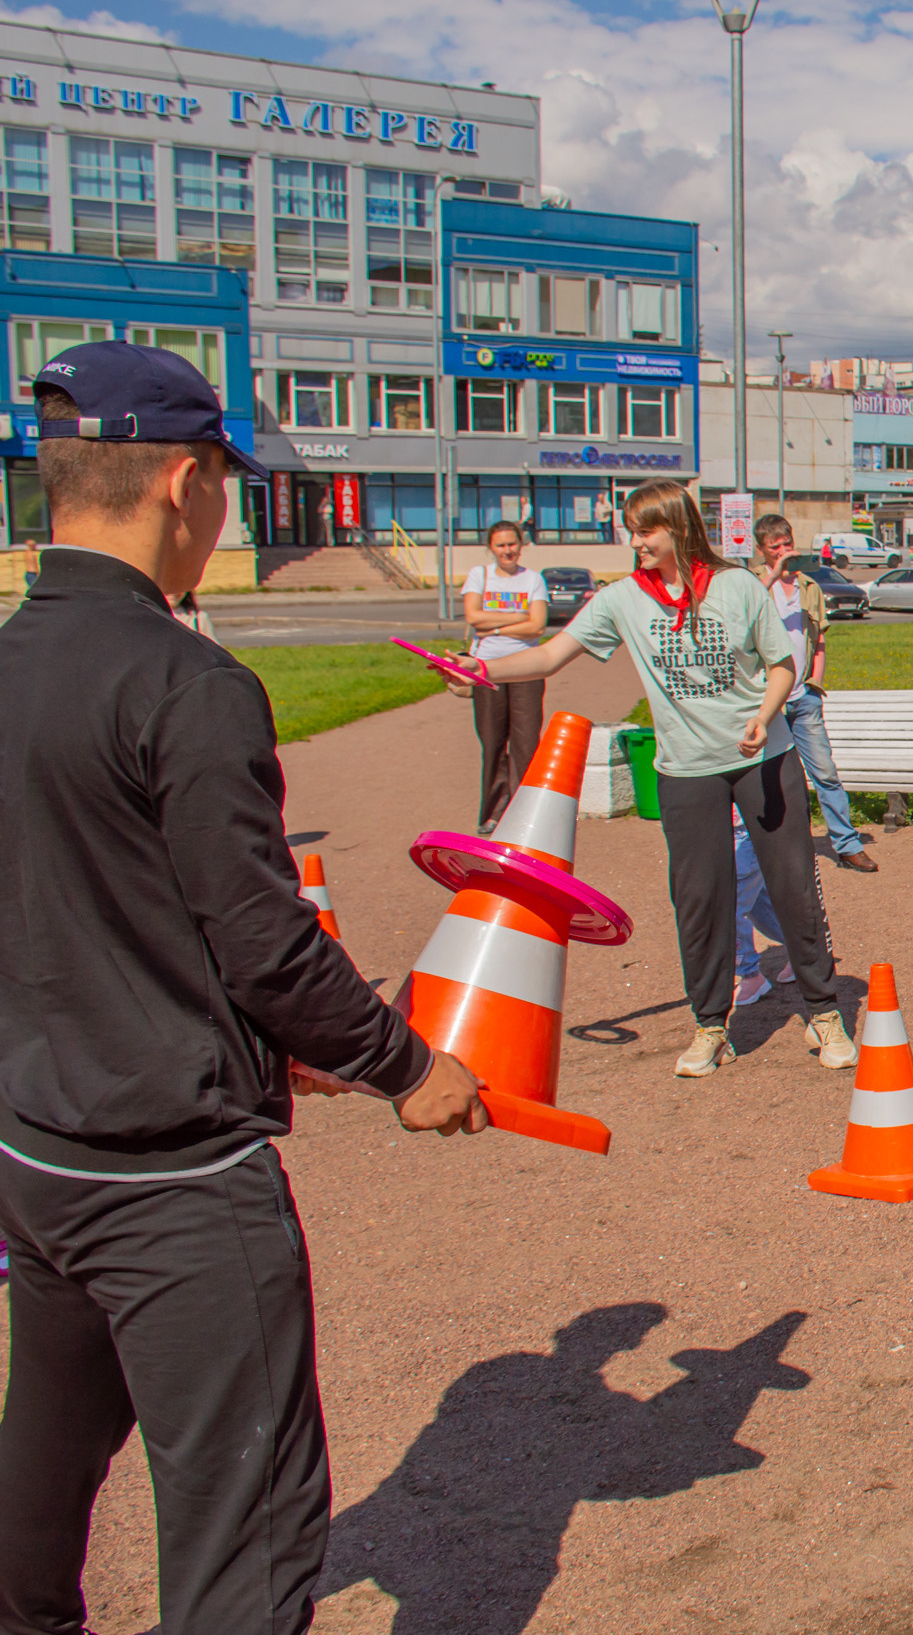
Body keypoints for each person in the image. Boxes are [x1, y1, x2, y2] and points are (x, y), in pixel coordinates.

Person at [0, 341, 487, 1633]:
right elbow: (264, 939)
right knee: (247, 1534)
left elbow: (97, 905)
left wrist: (269, 1037)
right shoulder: (186, 681)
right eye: (224, 483)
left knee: (42, 1474)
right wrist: (405, 1063)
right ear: (184, 483)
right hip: (175, 1182)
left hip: (39, 1151)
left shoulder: (12, 660)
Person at [453, 480, 856, 1080]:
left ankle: (823, 1013)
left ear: (679, 528)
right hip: (687, 770)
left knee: (793, 886)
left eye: (646, 530)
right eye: (632, 530)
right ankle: (711, 1026)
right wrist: (482, 669)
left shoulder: (738, 586)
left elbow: (783, 664)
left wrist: (765, 715)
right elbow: (549, 655)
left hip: (763, 759)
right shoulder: (622, 599)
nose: (635, 541)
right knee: (698, 899)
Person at [750, 514, 877, 872]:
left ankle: (847, 846)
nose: (783, 552)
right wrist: (773, 575)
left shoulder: (809, 586)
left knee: (825, 772)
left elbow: (818, 638)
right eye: (775, 548)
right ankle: (769, 847)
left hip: (802, 696)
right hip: (765, 699)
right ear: (761, 550)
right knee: (768, 777)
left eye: (787, 545)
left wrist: (814, 682)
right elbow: (740, 617)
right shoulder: (753, 583)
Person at [461, 518, 548, 834]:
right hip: (487, 669)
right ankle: (494, 812)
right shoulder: (479, 576)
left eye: (512, 544)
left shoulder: (534, 579)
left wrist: (494, 626)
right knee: (493, 742)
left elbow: (537, 626)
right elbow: (473, 617)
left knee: (526, 744)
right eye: (500, 545)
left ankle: (524, 813)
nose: (507, 550)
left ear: (521, 545)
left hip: (527, 669)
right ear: (490, 547)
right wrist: (517, 617)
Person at [731, 808, 796, 1007]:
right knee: (758, 904)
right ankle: (804, 951)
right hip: (723, 829)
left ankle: (750, 974)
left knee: (730, 907)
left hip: (743, 829)